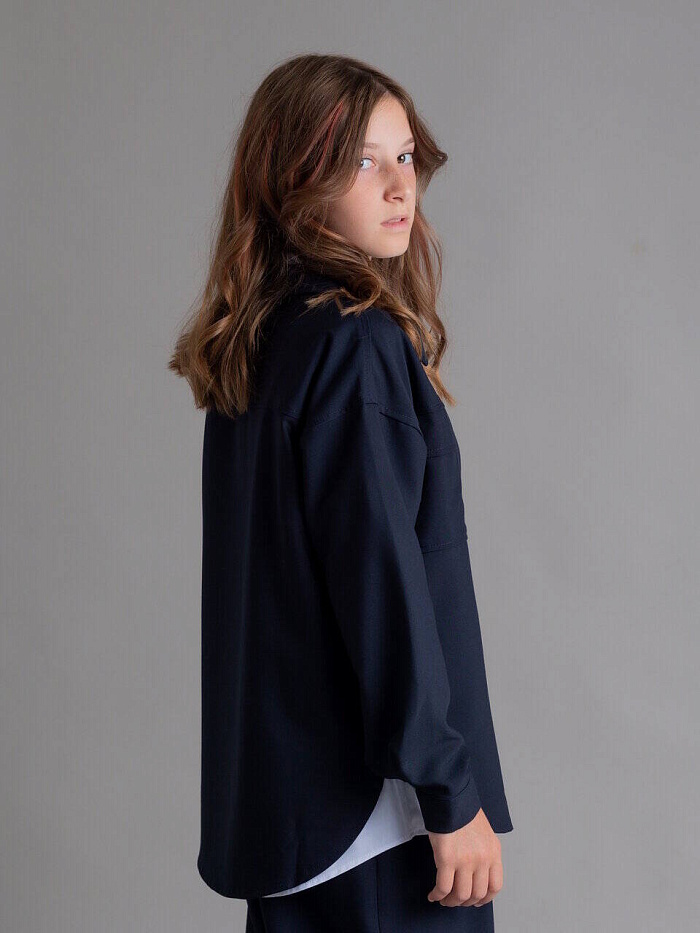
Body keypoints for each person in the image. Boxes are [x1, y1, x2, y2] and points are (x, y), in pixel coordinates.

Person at [169, 52, 514, 932]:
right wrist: (450, 793)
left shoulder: (267, 341)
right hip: (379, 821)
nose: (400, 186)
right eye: (363, 160)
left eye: (406, 157)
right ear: (295, 179)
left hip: (297, 822)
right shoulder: (353, 344)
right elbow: (382, 586)